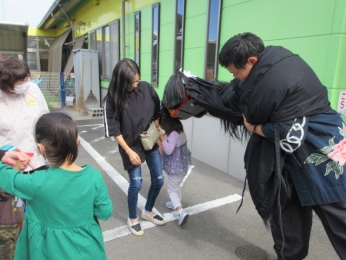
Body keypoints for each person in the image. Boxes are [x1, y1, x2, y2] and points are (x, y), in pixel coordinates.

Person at [218, 32, 346, 260]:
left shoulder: (274, 81)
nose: (237, 78)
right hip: (295, 160)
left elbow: (289, 132)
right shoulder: (277, 62)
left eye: (237, 72)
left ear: (252, 61)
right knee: (289, 221)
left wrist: (254, 128)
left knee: (339, 217)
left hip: (322, 153)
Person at [0, 112, 113, 260]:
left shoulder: (35, 181)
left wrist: (4, 156)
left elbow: (7, 177)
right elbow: (105, 212)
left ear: (41, 148)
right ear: (77, 141)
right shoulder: (93, 177)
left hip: (45, 251)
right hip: (86, 251)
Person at [103, 58, 165, 236]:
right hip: (130, 144)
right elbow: (113, 129)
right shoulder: (113, 99)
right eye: (132, 82)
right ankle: (132, 217)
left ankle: (148, 210)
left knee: (159, 180)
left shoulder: (145, 88)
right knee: (136, 184)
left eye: (137, 80)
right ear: (121, 81)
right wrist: (129, 152)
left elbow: (157, 109)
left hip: (149, 140)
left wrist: (158, 133)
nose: (136, 84)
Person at [0, 56, 49, 171]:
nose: (25, 84)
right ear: (5, 84)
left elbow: (46, 118)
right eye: (20, 82)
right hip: (10, 165)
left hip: (38, 161)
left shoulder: (34, 89)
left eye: (27, 79)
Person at [158, 107, 191, 226]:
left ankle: (181, 211)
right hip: (183, 166)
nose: (160, 127)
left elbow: (168, 150)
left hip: (175, 168)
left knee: (171, 190)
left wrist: (161, 137)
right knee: (176, 186)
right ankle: (176, 203)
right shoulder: (180, 131)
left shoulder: (172, 134)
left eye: (161, 124)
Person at [0, 150, 32, 260]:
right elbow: (6, 191)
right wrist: (17, 168)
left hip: (16, 225)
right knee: (5, 256)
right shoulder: (4, 178)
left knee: (16, 255)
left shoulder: (17, 177)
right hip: (3, 228)